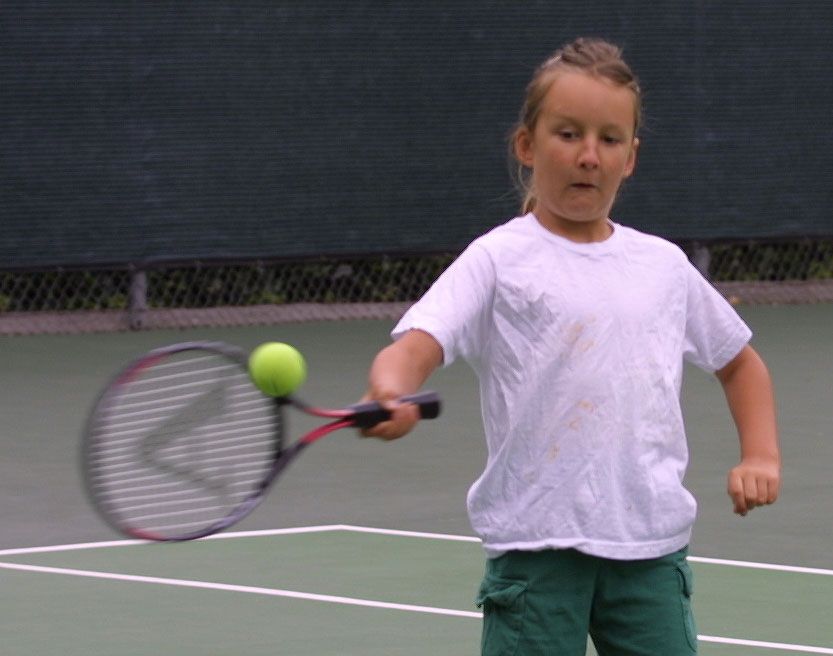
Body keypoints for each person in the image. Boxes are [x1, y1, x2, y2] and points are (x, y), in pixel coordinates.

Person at [360, 37, 781, 655]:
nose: (589, 155)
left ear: (630, 157)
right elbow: (419, 343)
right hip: (535, 554)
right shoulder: (499, 258)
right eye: (567, 134)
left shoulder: (662, 266)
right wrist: (391, 387)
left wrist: (761, 457)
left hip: (649, 551)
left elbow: (740, 364)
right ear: (527, 146)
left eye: (609, 139)